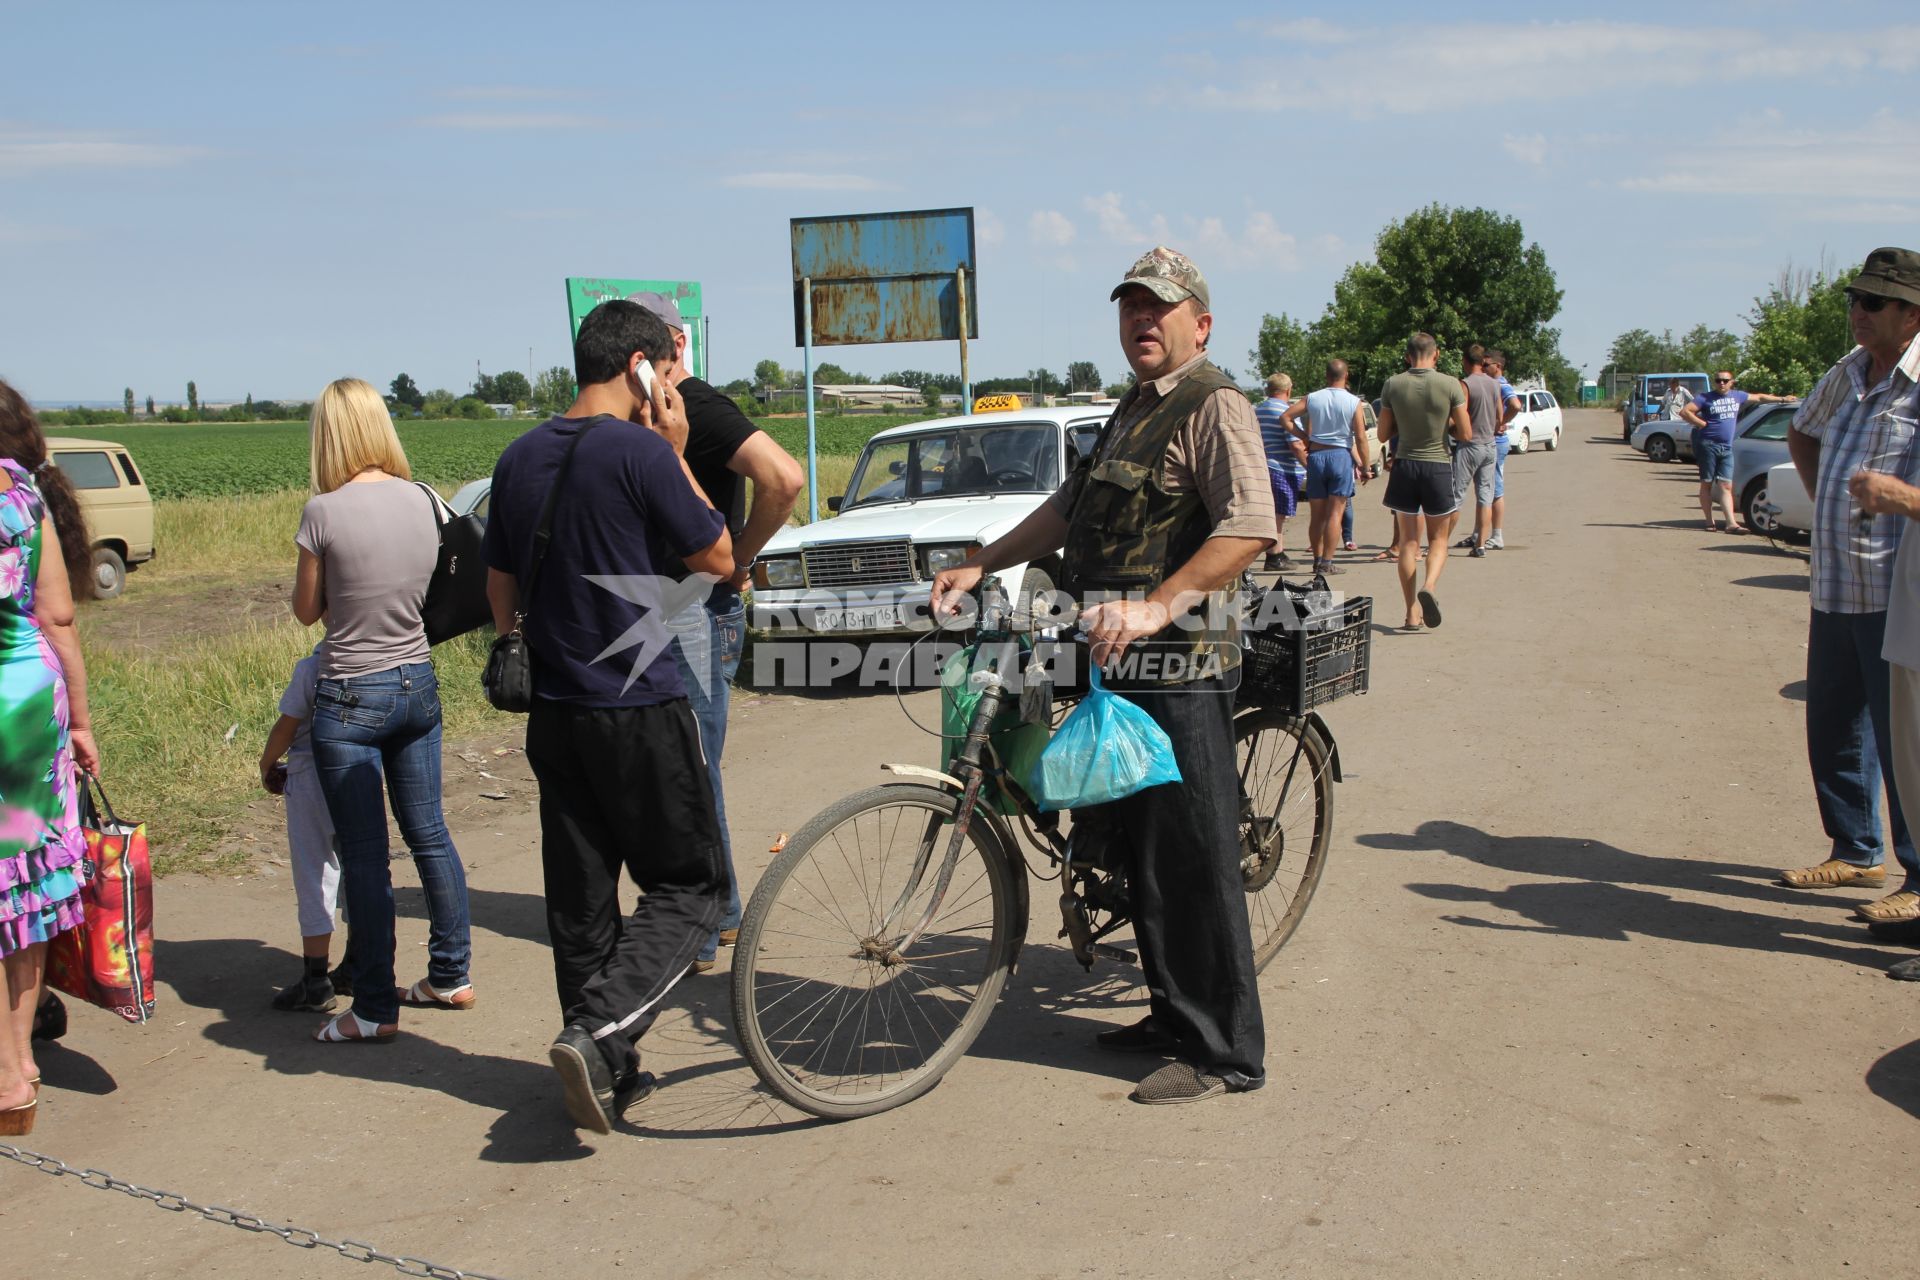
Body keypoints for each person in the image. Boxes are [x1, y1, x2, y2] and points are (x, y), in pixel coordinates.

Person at [932, 246, 1275, 1105]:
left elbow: (1250, 528)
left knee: (1195, 857)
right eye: (1130, 307)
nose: (1141, 321)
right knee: (1138, 849)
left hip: (1183, 664)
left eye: (1159, 308)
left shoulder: (1214, 402)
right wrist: (983, 562)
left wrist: (1157, 605)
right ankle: (1170, 1013)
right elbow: (1064, 511)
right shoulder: (1130, 408)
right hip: (1117, 664)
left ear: (1200, 322)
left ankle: (1225, 1052)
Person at [483, 300, 734, 1132]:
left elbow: (499, 586)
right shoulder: (641, 451)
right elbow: (719, 557)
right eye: (666, 370)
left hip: (554, 711)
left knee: (582, 897)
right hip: (640, 704)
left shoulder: (517, 458)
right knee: (693, 886)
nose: (671, 386)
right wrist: (677, 454)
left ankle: (604, 1069)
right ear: (636, 367)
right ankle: (598, 1035)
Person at [294, 378, 474, 1042]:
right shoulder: (424, 499)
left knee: (367, 856)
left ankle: (373, 1006)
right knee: (430, 832)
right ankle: (451, 974)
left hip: (349, 693)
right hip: (417, 683)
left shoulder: (322, 511)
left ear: (330, 435)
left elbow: (307, 611)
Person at [629, 294, 802, 973]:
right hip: (675, 608)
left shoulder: (694, 406)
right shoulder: (654, 414)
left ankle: (696, 932)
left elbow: (784, 479)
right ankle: (719, 911)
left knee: (688, 773)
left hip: (694, 609)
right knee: (692, 770)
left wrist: (740, 558)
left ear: (668, 347)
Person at [1779, 247, 1920, 923]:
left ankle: (1917, 876)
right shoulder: (1850, 371)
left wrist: (1900, 497)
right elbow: (1800, 431)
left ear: (1912, 313)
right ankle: (1856, 847)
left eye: (1872, 303)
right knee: (1834, 723)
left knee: (1907, 743)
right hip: (1837, 580)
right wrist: (1825, 501)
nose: (1856, 313)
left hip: (1901, 594)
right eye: (1854, 300)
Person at [0, 380, 101, 1135]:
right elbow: (58, 614)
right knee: (23, 883)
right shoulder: (23, 496)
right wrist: (83, 723)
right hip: (24, 706)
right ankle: (18, 1067)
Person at [258, 645, 352, 1012]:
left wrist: (267, 763)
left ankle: (316, 980)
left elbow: (288, 724)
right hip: (359, 769)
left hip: (311, 775)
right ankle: (362, 962)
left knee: (315, 873)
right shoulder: (375, 659)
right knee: (361, 870)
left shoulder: (314, 667)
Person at [1378, 333, 1473, 629]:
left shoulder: (1393, 384)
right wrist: (1447, 424)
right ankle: (1429, 587)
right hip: (1437, 466)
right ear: (1437, 354)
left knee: (1408, 543)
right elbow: (1466, 434)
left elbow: (1382, 435)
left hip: (1405, 465)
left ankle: (1410, 613)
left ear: (1408, 356)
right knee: (1438, 540)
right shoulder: (1450, 385)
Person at [1680, 370, 1796, 533]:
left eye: (1725, 381)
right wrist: (1702, 424)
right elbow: (1685, 411)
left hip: (1727, 446)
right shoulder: (1706, 398)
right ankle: (1709, 521)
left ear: (1731, 382)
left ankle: (1731, 523)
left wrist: (1783, 399)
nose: (1721, 383)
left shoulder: (1737, 396)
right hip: (1708, 444)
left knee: (1726, 485)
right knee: (1707, 483)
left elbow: (1760, 397)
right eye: (1718, 380)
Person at [1283, 358, 1370, 575]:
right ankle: (1327, 562)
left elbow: (1285, 417)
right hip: (1340, 455)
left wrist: (1304, 437)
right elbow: (1360, 437)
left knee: (1317, 515)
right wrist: (1366, 466)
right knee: (1335, 514)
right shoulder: (1353, 402)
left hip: (1317, 456)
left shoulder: (1313, 398)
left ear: (1326, 376)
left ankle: (1316, 559)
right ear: (1346, 375)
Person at [1450, 345, 1503, 556]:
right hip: (1490, 445)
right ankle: (1480, 545)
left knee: (1457, 496)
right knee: (1485, 497)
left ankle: (1440, 542)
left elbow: (1459, 416)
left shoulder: (1465, 384)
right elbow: (1500, 416)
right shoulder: (1494, 384)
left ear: (1465, 361)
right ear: (1482, 361)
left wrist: (1450, 429)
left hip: (1469, 446)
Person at [1254, 373, 1306, 570]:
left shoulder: (1258, 410)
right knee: (1278, 514)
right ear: (1288, 390)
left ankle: (1278, 552)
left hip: (1262, 466)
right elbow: (1296, 444)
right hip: (1281, 467)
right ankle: (1274, 556)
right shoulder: (1286, 411)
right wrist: (1310, 466)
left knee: (1275, 513)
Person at [1484, 351, 1523, 550]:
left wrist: (1501, 423)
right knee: (1485, 490)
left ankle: (1496, 535)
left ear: (1497, 366)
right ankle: (1479, 533)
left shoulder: (1500, 384)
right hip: (1492, 441)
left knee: (1495, 489)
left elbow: (1516, 405)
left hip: (1496, 442)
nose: (1483, 367)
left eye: (1486, 364)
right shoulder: (1492, 384)